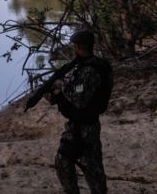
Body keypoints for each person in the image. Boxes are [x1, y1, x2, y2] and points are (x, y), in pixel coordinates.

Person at [46, 30, 113, 194]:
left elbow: (79, 99)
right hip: (82, 124)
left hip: (85, 126)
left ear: (78, 46)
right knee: (77, 163)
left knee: (81, 165)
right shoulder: (90, 65)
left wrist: (61, 87)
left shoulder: (92, 69)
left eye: (74, 45)